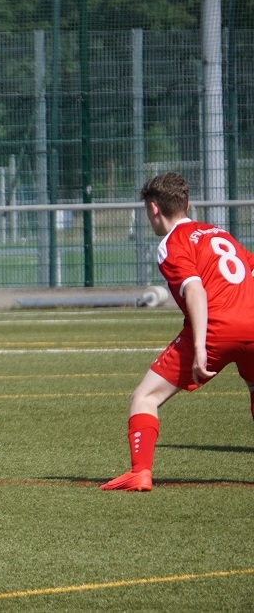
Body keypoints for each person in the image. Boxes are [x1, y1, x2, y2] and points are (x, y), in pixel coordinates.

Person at [100, 172, 254, 492]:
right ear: (187, 204)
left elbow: (195, 290)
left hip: (215, 329)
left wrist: (200, 348)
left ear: (154, 208)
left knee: (144, 397)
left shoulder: (172, 243)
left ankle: (140, 472)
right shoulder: (220, 233)